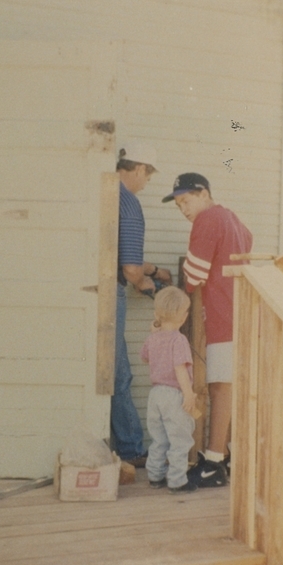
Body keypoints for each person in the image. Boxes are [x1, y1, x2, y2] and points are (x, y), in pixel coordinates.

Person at [162, 172, 253, 487]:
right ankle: (223, 456)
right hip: (241, 314)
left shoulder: (207, 220)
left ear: (203, 193)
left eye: (186, 200)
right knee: (227, 387)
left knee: (220, 387)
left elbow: (193, 276)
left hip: (223, 317)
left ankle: (214, 463)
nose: (184, 209)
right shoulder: (234, 220)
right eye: (178, 205)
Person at [113, 141, 172, 466]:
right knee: (119, 373)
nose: (146, 183)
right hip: (112, 295)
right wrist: (143, 281)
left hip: (97, 290)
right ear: (137, 169)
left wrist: (149, 270)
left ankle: (126, 445)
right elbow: (130, 269)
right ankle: (131, 449)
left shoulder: (107, 197)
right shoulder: (130, 203)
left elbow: (126, 257)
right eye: (147, 176)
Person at [140, 286, 198, 494]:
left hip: (155, 395)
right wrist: (189, 394)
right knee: (180, 439)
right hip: (174, 394)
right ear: (183, 317)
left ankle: (155, 475)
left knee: (159, 438)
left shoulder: (152, 338)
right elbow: (179, 368)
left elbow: (145, 357)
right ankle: (177, 480)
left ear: (157, 313)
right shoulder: (179, 340)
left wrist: (154, 333)